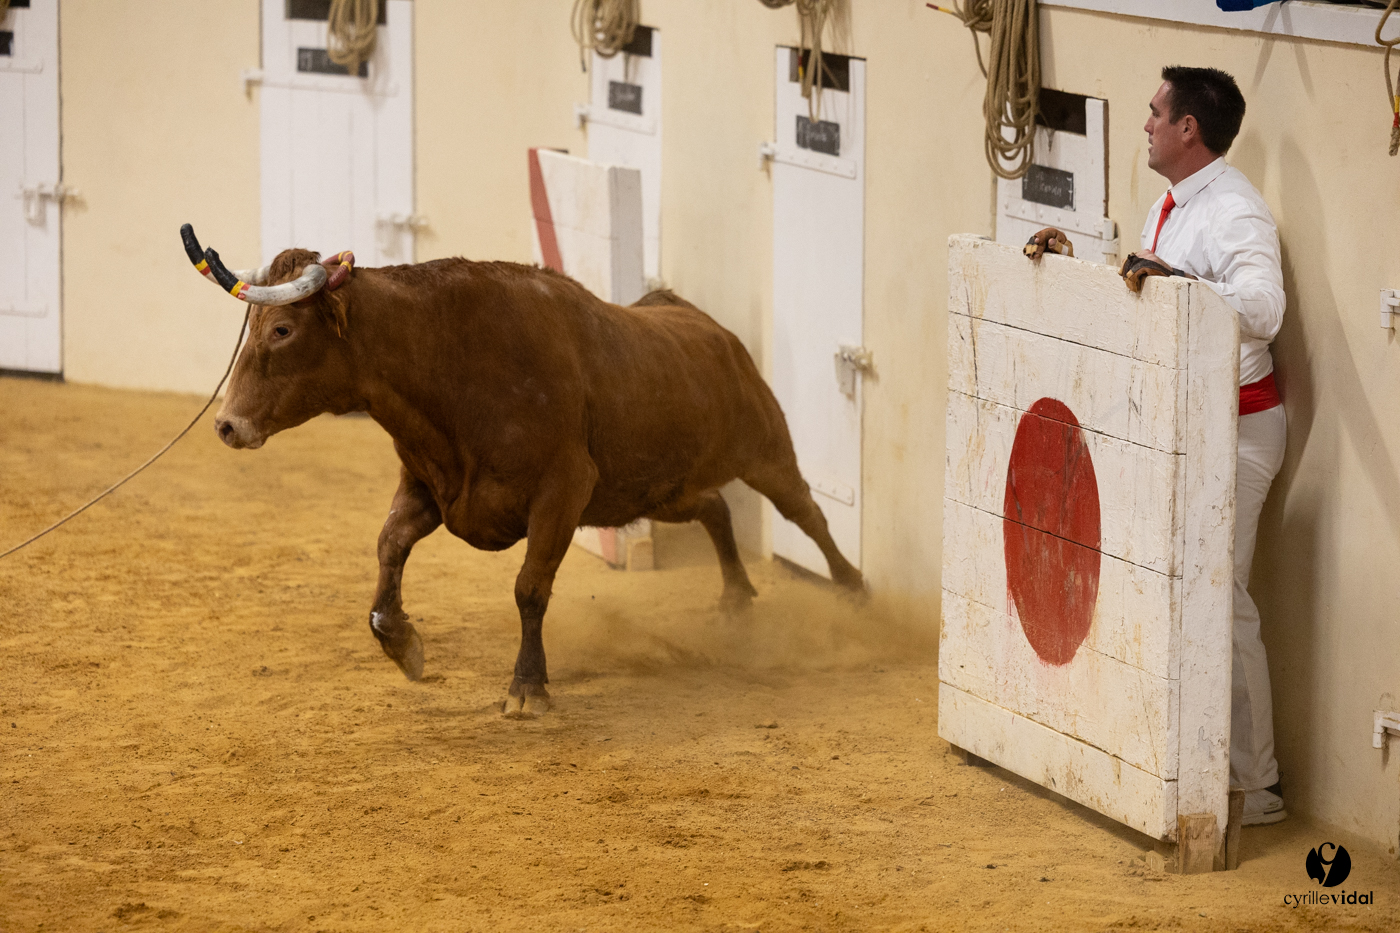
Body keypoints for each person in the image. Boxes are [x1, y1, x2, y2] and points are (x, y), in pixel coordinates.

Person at [1027, 66, 1287, 826]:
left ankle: (1257, 784)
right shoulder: (1170, 205)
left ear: (1187, 129)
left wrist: (1180, 283)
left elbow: (1264, 308)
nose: (1145, 124)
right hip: (1182, 421)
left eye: (1154, 113)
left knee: (1222, 596)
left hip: (1236, 426)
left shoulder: (1235, 209)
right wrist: (1075, 261)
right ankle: (1186, 760)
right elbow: (1146, 289)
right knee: (1173, 587)